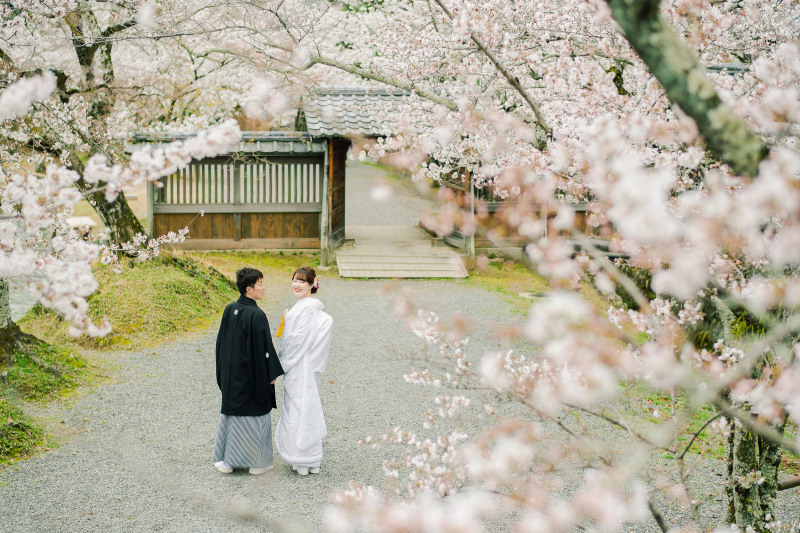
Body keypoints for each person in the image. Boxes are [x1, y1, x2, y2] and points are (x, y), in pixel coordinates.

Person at [213, 267, 284, 475]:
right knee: (255, 416)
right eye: (260, 284)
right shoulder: (256, 314)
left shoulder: (229, 309)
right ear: (248, 289)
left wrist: (222, 372)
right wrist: (270, 375)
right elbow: (264, 350)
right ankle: (257, 463)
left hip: (232, 376)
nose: (263, 288)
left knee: (232, 418)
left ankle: (228, 462)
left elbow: (221, 345)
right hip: (252, 377)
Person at [275, 266, 333, 476]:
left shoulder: (307, 308)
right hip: (305, 366)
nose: (296, 285)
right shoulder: (306, 307)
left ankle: (301, 459)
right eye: (294, 280)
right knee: (306, 406)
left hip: (299, 365)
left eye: (301, 281)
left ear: (311, 285)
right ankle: (311, 459)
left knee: (298, 409)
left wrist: (280, 366)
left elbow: (297, 341)